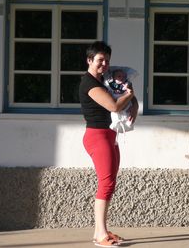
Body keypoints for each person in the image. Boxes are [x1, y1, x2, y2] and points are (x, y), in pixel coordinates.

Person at [79, 41, 138, 247]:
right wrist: (128, 96)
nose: (104, 64)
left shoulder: (106, 79)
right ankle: (100, 235)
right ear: (89, 60)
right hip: (97, 136)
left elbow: (129, 97)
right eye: (99, 60)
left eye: (106, 60)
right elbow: (113, 105)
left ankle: (100, 231)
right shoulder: (89, 83)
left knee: (110, 183)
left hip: (110, 135)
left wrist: (134, 105)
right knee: (106, 183)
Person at [104, 68, 134, 133]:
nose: (122, 78)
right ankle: (115, 124)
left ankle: (127, 123)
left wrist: (128, 90)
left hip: (126, 103)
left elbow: (130, 94)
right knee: (115, 114)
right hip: (116, 102)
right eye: (119, 76)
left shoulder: (125, 85)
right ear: (113, 78)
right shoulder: (111, 86)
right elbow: (109, 93)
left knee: (128, 113)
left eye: (123, 76)